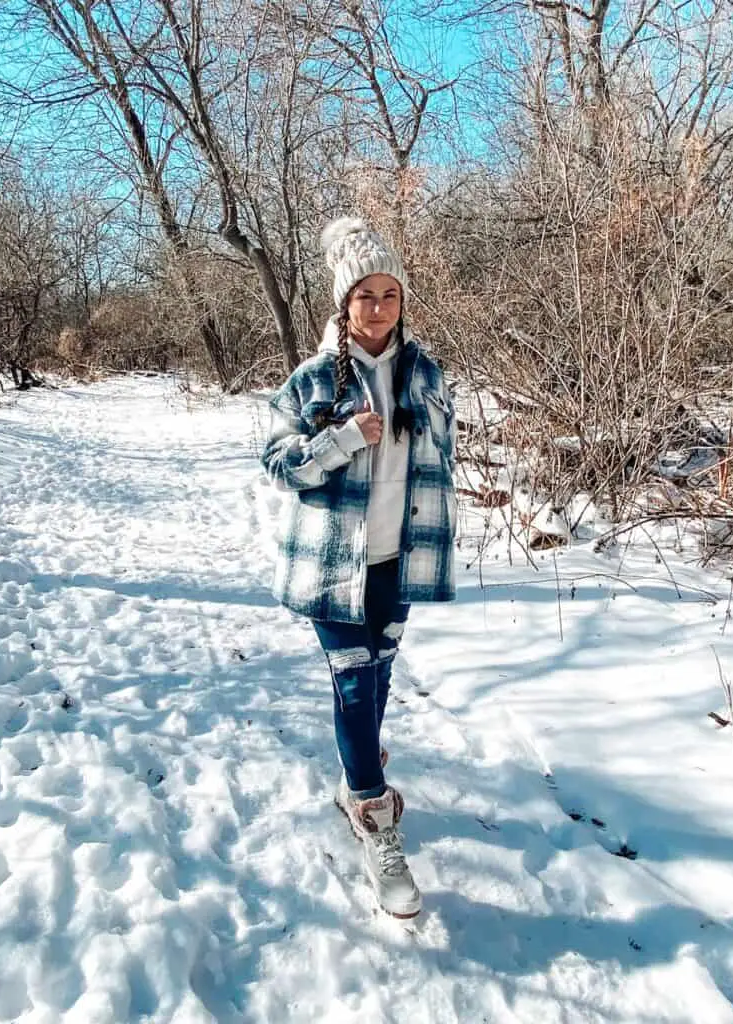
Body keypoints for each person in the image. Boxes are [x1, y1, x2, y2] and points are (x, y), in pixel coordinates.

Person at [262, 217, 457, 918]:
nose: (378, 308)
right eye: (364, 296)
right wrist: (342, 438)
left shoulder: (426, 372)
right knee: (353, 687)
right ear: (344, 306)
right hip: (331, 566)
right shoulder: (312, 381)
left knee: (378, 679)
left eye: (389, 294)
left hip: (395, 563)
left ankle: (357, 782)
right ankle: (375, 816)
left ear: (402, 301)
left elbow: (444, 464)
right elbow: (278, 463)